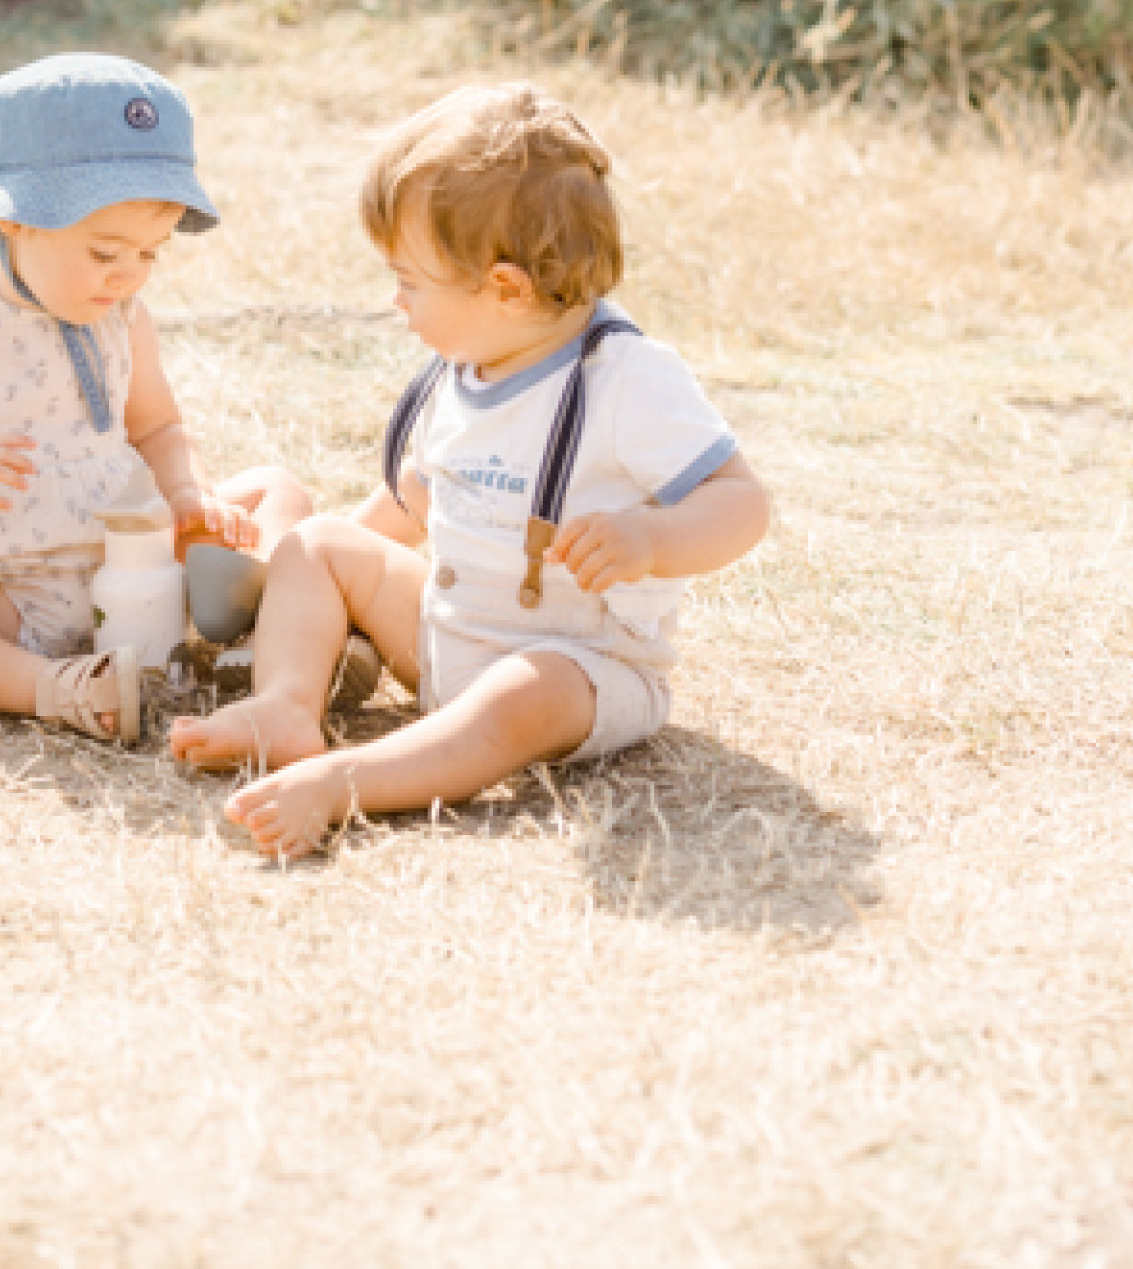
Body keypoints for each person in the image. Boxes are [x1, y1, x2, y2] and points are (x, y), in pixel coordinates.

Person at [171, 82, 769, 855]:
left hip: (580, 666)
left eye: (411, 282)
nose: (395, 301)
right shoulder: (470, 361)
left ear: (507, 289)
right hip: (443, 635)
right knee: (318, 541)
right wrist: (305, 572)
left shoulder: (627, 379)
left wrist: (649, 539)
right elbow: (417, 499)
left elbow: (742, 503)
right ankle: (286, 705)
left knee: (529, 694)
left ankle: (345, 783)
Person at [0, 52, 310, 745]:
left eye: (150, 254)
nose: (128, 277)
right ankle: (52, 689)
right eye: (106, 254)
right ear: (11, 219)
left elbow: (160, 428)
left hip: (129, 569)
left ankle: (264, 650)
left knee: (275, 490)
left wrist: (188, 495)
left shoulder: (122, 318)